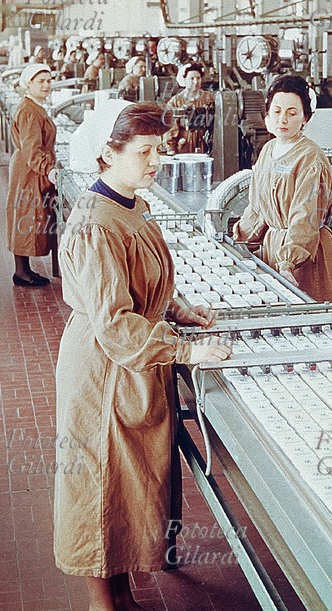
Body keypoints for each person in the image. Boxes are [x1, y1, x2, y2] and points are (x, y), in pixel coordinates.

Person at [54, 101, 231, 611]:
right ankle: (100, 602)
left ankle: (123, 592)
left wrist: (179, 309)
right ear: (108, 154)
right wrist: (186, 349)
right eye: (146, 150)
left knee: (127, 489)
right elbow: (114, 322)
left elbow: (140, 285)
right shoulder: (95, 222)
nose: (158, 160)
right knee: (99, 483)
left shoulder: (132, 203)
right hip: (106, 372)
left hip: (134, 363)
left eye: (161, 148)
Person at [233, 74, 332, 302]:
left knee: (310, 324)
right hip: (274, 251)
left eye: (292, 113)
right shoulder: (268, 150)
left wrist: (289, 262)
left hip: (306, 254)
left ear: (305, 118)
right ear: (267, 115)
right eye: (277, 111)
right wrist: (237, 241)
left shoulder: (311, 158)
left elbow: (306, 217)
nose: (283, 119)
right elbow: (257, 209)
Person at [6, 62, 58, 287]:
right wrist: (48, 169)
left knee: (29, 215)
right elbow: (32, 149)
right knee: (26, 215)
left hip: (31, 167)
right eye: (41, 81)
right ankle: (21, 273)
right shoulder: (29, 111)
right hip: (29, 170)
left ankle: (25, 269)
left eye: (49, 80)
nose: (47, 85)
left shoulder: (35, 105)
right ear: (29, 84)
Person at [165, 62, 213, 154]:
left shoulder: (209, 98)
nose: (195, 82)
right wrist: (171, 147)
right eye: (192, 78)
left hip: (205, 142)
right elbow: (170, 126)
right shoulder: (176, 101)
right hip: (184, 143)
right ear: (184, 80)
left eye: (198, 78)